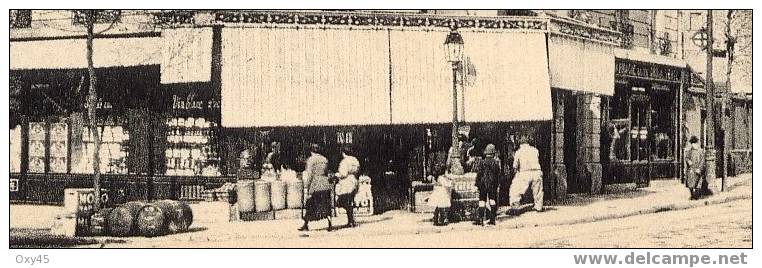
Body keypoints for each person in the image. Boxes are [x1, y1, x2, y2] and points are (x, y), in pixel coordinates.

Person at [299, 144, 333, 232]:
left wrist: (306, 186)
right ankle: (329, 223)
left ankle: (306, 224)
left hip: (316, 183)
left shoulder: (311, 160)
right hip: (325, 183)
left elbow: (309, 174)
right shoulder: (325, 159)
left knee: (310, 204)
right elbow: (326, 172)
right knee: (326, 204)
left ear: (311, 151)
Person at [508, 134, 544, 215]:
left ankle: (515, 206)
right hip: (537, 171)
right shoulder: (535, 150)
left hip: (525, 172)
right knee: (538, 190)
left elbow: (515, 166)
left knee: (515, 189)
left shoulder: (519, 152)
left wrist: (515, 174)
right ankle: (538, 207)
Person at [474, 144, 501, 225]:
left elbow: (479, 174)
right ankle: (492, 219)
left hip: (483, 184)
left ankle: (481, 219)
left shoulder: (482, 162)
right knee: (492, 200)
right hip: (492, 184)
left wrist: (477, 184)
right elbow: (498, 175)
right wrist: (497, 184)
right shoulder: (496, 163)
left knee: (482, 200)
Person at [335, 145, 361, 228]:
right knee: (350, 200)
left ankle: (350, 221)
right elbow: (358, 170)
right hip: (354, 180)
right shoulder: (355, 160)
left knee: (344, 201)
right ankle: (351, 220)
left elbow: (343, 174)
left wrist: (336, 175)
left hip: (346, 182)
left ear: (343, 153)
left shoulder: (344, 161)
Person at [684, 136, 706, 200]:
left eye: (694, 144)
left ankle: (697, 195)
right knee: (690, 183)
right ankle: (692, 195)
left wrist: (699, 168)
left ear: (697, 143)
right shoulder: (690, 151)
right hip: (691, 169)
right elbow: (687, 157)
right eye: (692, 144)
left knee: (698, 182)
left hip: (697, 169)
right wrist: (688, 161)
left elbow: (702, 161)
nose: (693, 145)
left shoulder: (700, 151)